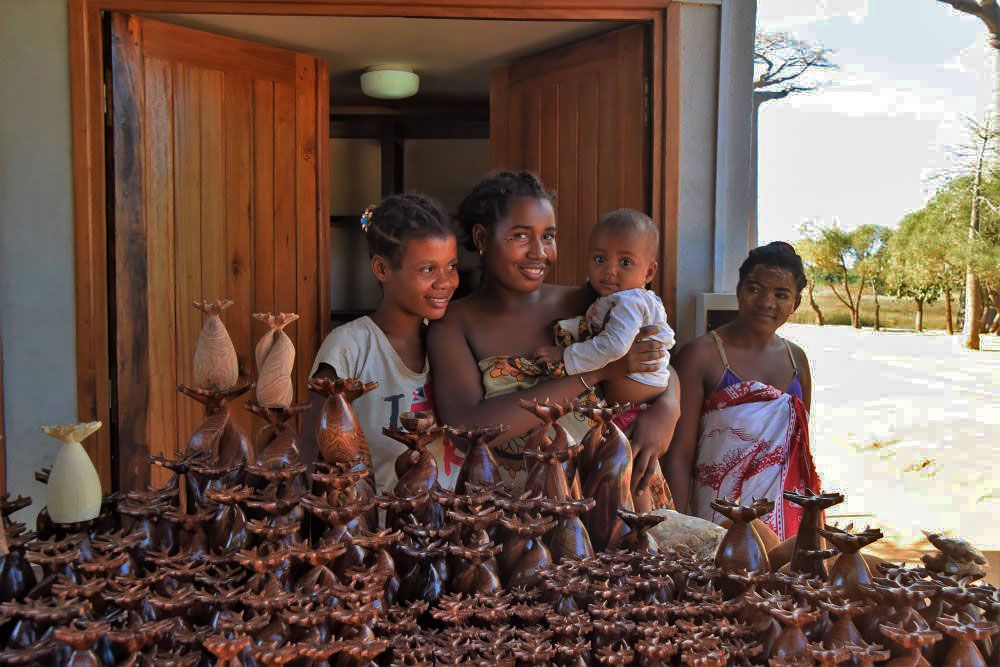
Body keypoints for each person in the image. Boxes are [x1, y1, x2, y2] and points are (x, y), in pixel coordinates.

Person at [428, 171, 680, 511]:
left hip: (612, 492)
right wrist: (592, 375)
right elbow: (467, 429)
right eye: (521, 236)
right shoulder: (453, 325)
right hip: (520, 510)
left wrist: (667, 411)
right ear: (482, 238)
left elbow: (655, 355)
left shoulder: (590, 302)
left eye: (548, 236)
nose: (539, 252)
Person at [299, 193, 464, 492]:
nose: (445, 281)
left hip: (452, 527)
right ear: (382, 269)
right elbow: (311, 452)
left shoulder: (450, 339)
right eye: (428, 269)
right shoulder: (350, 347)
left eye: (451, 266)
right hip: (377, 530)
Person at [663, 241, 820, 540]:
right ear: (739, 290)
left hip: (784, 519)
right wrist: (684, 527)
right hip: (717, 518)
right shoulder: (702, 355)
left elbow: (798, 452)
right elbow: (679, 456)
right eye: (755, 288)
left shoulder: (796, 360)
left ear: (796, 303)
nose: (766, 302)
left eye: (781, 294)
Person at [532, 208, 676, 434]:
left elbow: (615, 346)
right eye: (600, 259)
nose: (610, 271)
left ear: (648, 273)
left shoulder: (630, 301)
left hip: (640, 408)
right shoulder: (612, 298)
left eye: (625, 262)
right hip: (628, 405)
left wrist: (566, 355)